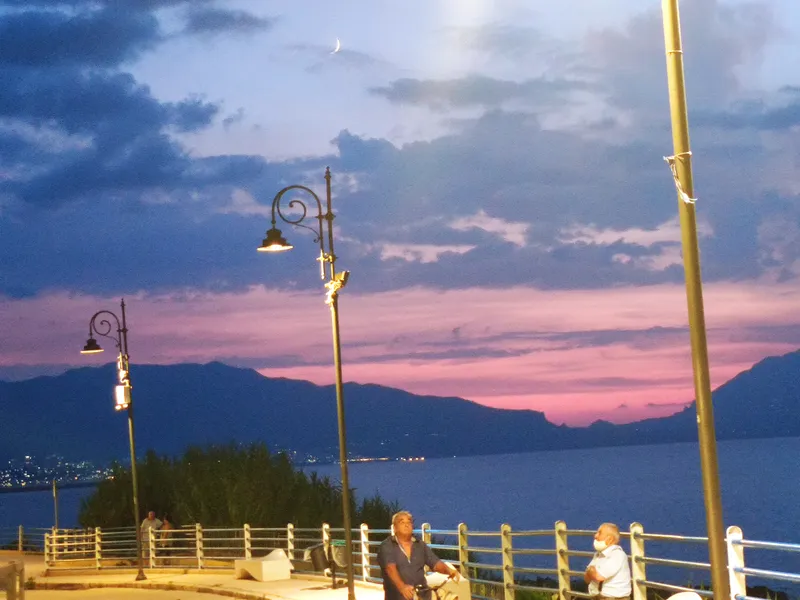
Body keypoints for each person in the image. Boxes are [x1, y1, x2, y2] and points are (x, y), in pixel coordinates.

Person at [378, 511, 460, 600]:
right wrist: (402, 587)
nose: (406, 525)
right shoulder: (386, 546)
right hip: (398, 596)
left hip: (422, 594)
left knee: (451, 597)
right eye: (402, 522)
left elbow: (435, 563)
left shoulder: (420, 545)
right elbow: (390, 568)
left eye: (409, 522)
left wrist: (449, 570)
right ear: (394, 528)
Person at [584, 523, 632, 600]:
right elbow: (587, 579)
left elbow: (598, 576)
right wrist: (591, 571)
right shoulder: (598, 554)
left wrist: (591, 570)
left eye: (599, 533)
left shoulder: (617, 555)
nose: (595, 536)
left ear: (609, 539)